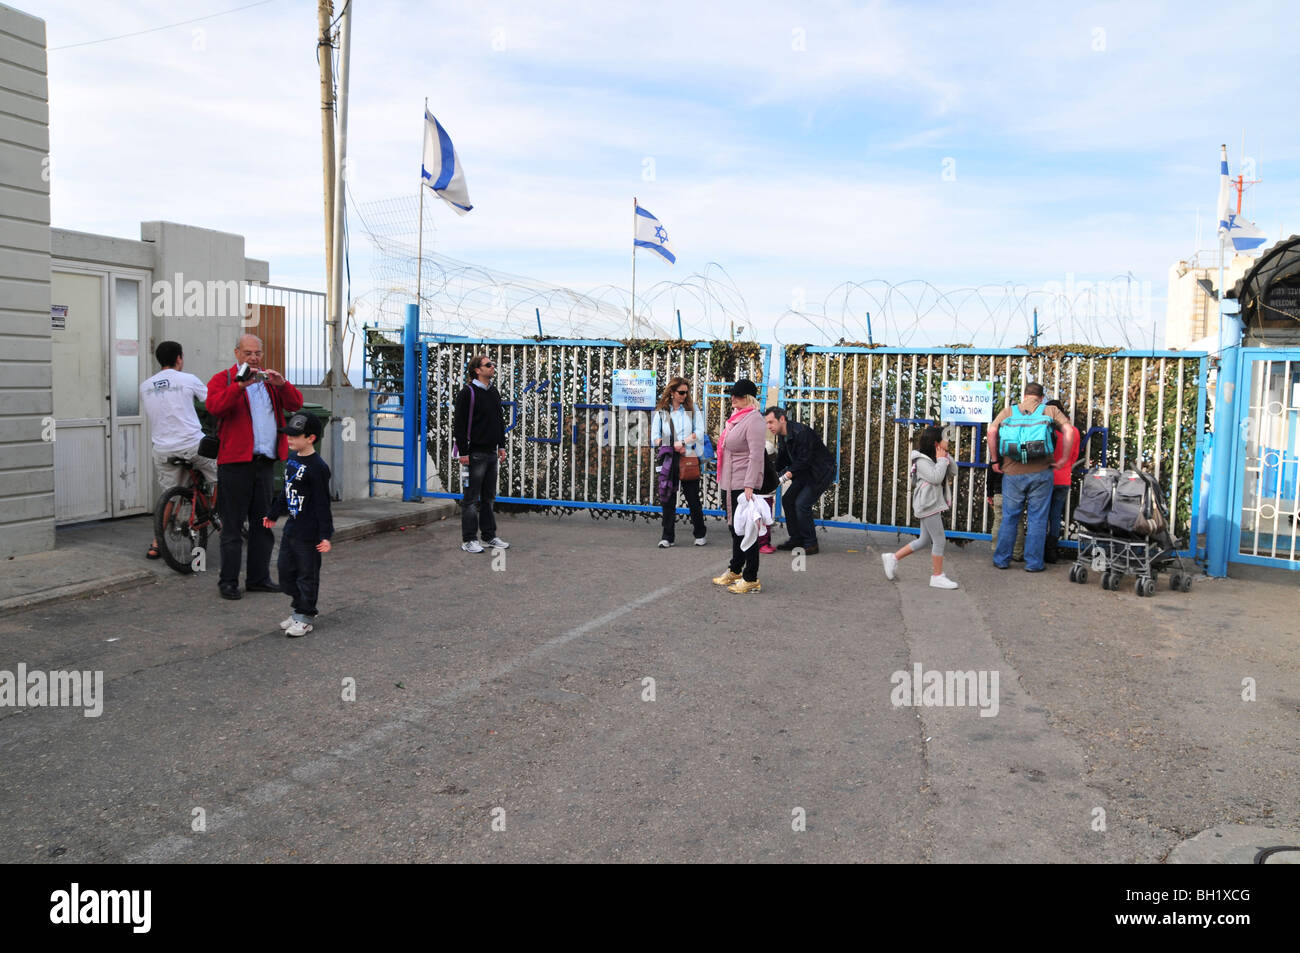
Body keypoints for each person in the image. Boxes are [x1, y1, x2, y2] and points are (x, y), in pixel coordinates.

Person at [206, 334, 304, 600]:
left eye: (257, 353)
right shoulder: (223, 379)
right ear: (237, 353)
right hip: (235, 464)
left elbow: (295, 404)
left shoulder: (269, 382)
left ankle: (258, 578)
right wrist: (238, 387)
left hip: (264, 463)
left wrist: (282, 384)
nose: (253, 358)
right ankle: (228, 581)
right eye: (248, 353)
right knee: (233, 526)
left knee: (263, 524)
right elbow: (214, 407)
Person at [139, 341, 218, 560]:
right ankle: (213, 514)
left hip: (163, 450)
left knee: (169, 495)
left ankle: (156, 544)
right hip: (192, 445)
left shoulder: (145, 385)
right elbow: (214, 403)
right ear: (179, 358)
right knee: (221, 470)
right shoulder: (188, 379)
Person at [987, 382, 1076, 572]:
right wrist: (1063, 459)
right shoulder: (1050, 410)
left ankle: (1002, 559)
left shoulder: (1009, 411)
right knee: (1037, 519)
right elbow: (1069, 431)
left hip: (1012, 474)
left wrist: (995, 461)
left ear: (1025, 395)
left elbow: (991, 431)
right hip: (1041, 473)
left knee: (1009, 517)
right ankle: (1034, 563)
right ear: (1041, 398)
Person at [262, 412, 333, 638]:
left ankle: (305, 616)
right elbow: (286, 490)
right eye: (288, 436)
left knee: (307, 574)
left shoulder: (318, 467)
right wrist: (273, 513)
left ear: (311, 438)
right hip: (291, 528)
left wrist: (325, 534)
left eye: (295, 436)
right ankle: (298, 608)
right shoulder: (292, 460)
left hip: (309, 532)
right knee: (285, 572)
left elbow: (323, 503)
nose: (289, 440)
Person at [883, 426, 958, 588]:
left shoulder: (937, 457)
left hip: (931, 502)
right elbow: (936, 478)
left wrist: (946, 457)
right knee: (939, 540)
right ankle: (937, 576)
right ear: (936, 443)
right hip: (927, 504)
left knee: (924, 540)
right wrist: (941, 460)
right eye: (945, 439)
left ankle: (893, 558)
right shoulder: (922, 461)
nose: (949, 441)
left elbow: (954, 471)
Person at [712, 379, 768, 594]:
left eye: (737, 395)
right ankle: (735, 568)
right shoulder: (737, 418)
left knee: (747, 530)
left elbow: (756, 455)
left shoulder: (753, 420)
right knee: (735, 528)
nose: (732, 398)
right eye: (732, 395)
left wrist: (750, 484)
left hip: (743, 483)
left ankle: (751, 576)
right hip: (730, 480)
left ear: (747, 398)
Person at [454, 353, 510, 554]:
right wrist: (463, 452)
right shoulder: (468, 393)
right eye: (488, 365)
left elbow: (499, 421)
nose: (492, 367)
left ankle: (489, 536)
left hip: (491, 453)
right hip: (474, 453)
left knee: (489, 497)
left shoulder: (493, 392)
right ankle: (469, 539)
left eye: (492, 364)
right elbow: (459, 425)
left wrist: (501, 446)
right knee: (470, 499)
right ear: (477, 370)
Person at [764, 407, 835, 555]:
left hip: (820, 472)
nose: (768, 426)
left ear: (782, 419)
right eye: (767, 423)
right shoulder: (783, 435)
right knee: (788, 500)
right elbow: (782, 459)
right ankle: (796, 539)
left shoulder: (801, 432)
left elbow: (804, 460)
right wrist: (770, 473)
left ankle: (811, 543)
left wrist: (784, 477)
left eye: (771, 422)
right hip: (805, 472)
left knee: (801, 504)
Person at [650, 376, 707, 548]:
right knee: (667, 498)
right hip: (669, 458)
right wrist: (671, 444)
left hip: (688, 456)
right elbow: (654, 438)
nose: (684, 395)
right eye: (681, 392)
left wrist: (683, 443)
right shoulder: (662, 412)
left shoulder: (692, 408)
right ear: (672, 392)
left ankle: (700, 533)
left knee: (692, 498)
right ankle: (667, 536)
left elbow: (700, 431)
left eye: (686, 392)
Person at [1043, 399, 1082, 564]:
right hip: (1064, 478)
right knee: (1055, 515)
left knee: (1040, 515)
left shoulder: (1046, 430)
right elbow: (1073, 457)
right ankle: (1052, 550)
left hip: (1045, 477)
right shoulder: (1073, 431)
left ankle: (1039, 549)